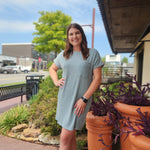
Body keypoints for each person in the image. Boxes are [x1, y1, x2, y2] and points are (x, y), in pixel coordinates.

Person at [49, 23, 104, 150]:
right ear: (68, 37)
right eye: (71, 34)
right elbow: (52, 68)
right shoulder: (64, 54)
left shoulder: (92, 54)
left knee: (64, 138)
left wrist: (84, 99)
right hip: (64, 100)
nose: (74, 36)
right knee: (71, 137)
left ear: (82, 35)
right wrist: (56, 80)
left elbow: (97, 79)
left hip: (80, 102)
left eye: (77, 33)